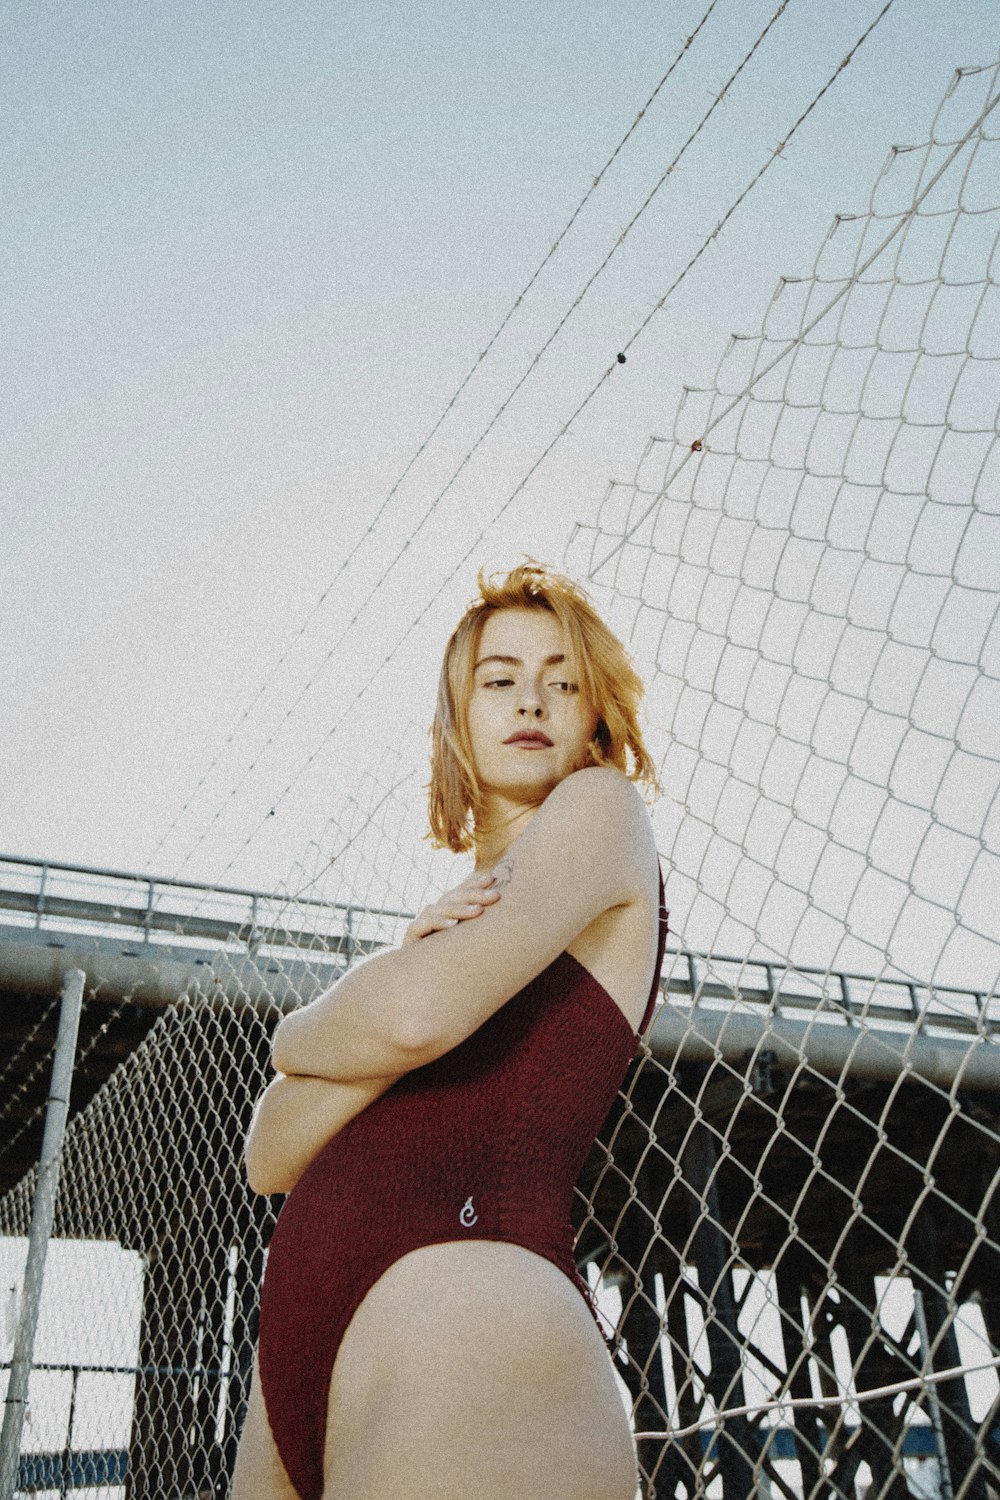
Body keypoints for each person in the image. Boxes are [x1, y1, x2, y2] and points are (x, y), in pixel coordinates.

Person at [232, 561, 666, 1500]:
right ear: (457, 720)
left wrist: (305, 1030)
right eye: (499, 678)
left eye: (564, 679)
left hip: (468, 1323)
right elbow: (269, 1149)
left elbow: (413, 1018)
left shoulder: (597, 812)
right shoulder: (449, 932)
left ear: (596, 714)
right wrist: (397, 986)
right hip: (302, 1360)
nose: (534, 699)